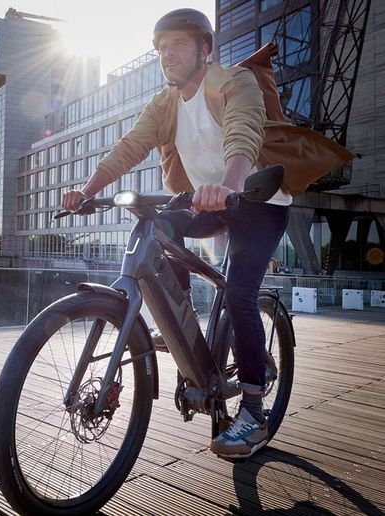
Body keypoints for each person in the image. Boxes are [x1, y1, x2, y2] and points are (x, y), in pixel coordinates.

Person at [61, 8, 352, 459]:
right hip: (206, 200)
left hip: (255, 201)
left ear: (204, 48)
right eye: (160, 48)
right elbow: (130, 147)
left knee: (239, 294)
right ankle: (180, 326)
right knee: (158, 224)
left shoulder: (234, 82)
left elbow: (244, 134)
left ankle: (253, 412)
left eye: (177, 45)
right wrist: (87, 190)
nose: (166, 55)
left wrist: (231, 184)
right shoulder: (165, 103)